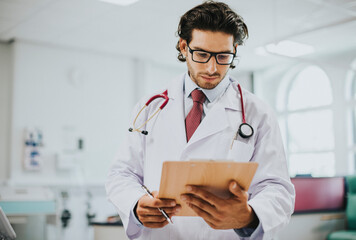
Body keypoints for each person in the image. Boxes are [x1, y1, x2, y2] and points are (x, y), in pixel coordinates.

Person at [106, 1, 295, 239]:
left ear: (234, 49)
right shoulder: (150, 107)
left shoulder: (258, 113)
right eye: (202, 54)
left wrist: (248, 216)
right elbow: (121, 173)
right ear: (184, 47)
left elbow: (277, 188)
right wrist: (136, 204)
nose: (212, 67)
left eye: (223, 56)